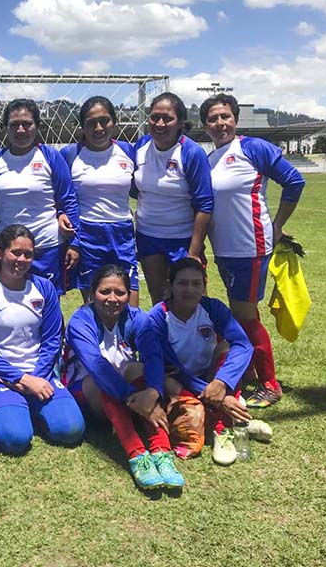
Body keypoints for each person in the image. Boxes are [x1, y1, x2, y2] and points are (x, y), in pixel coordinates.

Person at [201, 93, 306, 408]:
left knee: (245, 316)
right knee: (242, 312)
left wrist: (276, 224)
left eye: (225, 116)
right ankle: (246, 369)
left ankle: (270, 384)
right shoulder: (210, 159)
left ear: (235, 118)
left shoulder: (252, 148)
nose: (220, 123)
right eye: (212, 119)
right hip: (224, 250)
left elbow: (294, 182)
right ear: (204, 125)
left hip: (251, 248)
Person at [64, 264, 184, 491]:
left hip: (130, 394)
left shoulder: (137, 317)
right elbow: (96, 366)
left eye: (120, 293)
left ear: (129, 295)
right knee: (99, 382)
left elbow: (154, 355)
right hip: (88, 394)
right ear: (92, 293)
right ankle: (137, 455)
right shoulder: (81, 320)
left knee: (138, 369)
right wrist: (137, 397)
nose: (112, 299)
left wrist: (153, 392)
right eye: (104, 291)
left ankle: (161, 452)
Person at [142, 258, 272, 466]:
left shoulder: (212, 307)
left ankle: (222, 429)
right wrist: (219, 397)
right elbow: (171, 367)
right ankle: (238, 421)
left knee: (227, 350)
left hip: (210, 378)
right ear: (170, 286)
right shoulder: (157, 318)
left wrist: (221, 383)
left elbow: (243, 344)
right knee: (192, 431)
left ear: (204, 286)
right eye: (183, 283)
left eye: (196, 284)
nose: (190, 290)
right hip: (176, 381)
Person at [0, 224, 85, 454]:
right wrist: (18, 378)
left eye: (28, 254)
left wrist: (35, 377)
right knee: (16, 439)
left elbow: (53, 339)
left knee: (71, 430)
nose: (21, 259)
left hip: (40, 374)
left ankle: (31, 409)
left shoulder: (43, 288)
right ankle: (13, 410)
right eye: (15, 252)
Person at [0, 99, 81, 295]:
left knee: (47, 305)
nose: (20, 130)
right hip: (10, 250)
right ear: (5, 128)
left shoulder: (50, 156)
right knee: (9, 303)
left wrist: (75, 243)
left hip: (47, 247)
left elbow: (68, 199)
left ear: (37, 126)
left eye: (27, 123)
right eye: (14, 124)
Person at [133, 92, 213, 304]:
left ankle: (199, 337)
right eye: (154, 117)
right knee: (159, 300)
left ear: (180, 123)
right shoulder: (141, 146)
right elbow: (134, 189)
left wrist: (194, 251)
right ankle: (163, 338)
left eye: (167, 118)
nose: (159, 123)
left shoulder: (191, 152)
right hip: (148, 237)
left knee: (193, 300)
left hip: (183, 238)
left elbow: (205, 204)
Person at [61, 96, 139, 305]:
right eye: (91, 123)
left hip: (122, 232)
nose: (98, 128)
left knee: (129, 302)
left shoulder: (129, 152)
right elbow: (57, 195)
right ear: (82, 126)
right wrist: (60, 215)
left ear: (114, 121)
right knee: (94, 303)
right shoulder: (69, 155)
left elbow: (143, 188)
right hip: (87, 234)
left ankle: (128, 339)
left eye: (104, 121)